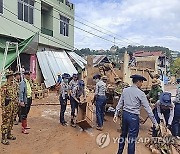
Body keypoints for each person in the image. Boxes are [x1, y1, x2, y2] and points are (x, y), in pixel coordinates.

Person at [113, 74, 159, 154]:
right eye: (141, 82)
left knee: (123, 135)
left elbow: (120, 103)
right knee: (131, 139)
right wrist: (155, 123)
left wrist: (116, 114)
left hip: (125, 115)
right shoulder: (141, 94)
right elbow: (148, 110)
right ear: (138, 82)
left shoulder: (125, 90)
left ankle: (119, 152)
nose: (142, 84)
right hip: (133, 118)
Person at [1, 71, 17, 145]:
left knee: (11, 121)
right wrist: (4, 108)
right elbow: (2, 98)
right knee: (5, 122)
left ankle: (9, 134)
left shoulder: (13, 85)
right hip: (7, 107)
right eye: (11, 76)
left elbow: (15, 95)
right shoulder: (4, 86)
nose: (13, 77)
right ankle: (3, 138)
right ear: (8, 77)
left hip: (13, 106)